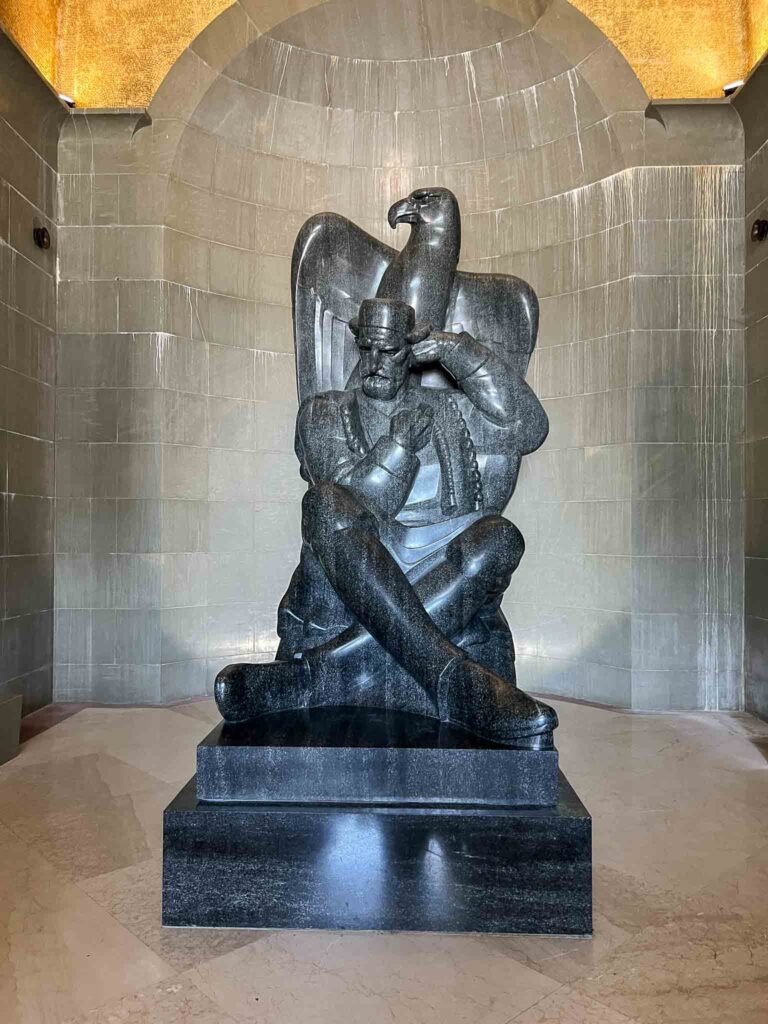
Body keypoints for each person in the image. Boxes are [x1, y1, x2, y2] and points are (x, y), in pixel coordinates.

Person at [215, 297, 557, 746]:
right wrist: (398, 447)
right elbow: (350, 501)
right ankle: (450, 677)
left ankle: (317, 676)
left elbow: (529, 427)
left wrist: (458, 352)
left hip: (438, 565)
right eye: (367, 350)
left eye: (389, 351)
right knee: (324, 503)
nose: (375, 363)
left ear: (410, 355)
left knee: (501, 538)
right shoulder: (325, 412)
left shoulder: (448, 409)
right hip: (359, 562)